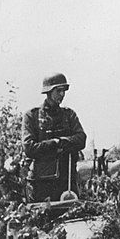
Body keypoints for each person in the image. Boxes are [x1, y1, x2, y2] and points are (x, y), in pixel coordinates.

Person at [23, 73, 87, 202]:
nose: (62, 94)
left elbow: (81, 139)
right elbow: (29, 148)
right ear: (48, 91)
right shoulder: (32, 116)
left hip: (67, 182)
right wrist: (54, 143)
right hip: (41, 184)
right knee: (42, 218)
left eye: (64, 91)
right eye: (59, 91)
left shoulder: (69, 115)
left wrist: (61, 142)